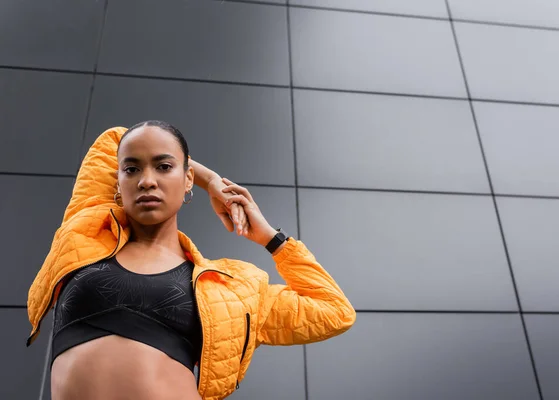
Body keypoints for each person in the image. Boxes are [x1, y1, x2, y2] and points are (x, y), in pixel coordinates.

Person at [26, 121, 356, 400]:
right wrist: (212, 180)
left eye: (164, 166)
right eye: (132, 169)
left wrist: (270, 238)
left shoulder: (231, 288)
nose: (147, 180)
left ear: (186, 180)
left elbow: (335, 311)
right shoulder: (86, 230)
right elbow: (118, 137)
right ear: (119, 180)